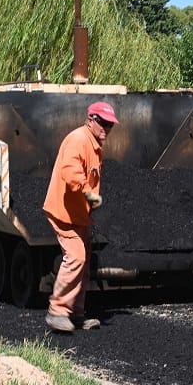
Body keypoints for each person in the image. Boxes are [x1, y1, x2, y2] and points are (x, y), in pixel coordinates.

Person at [44, 101, 118, 332]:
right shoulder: (78, 140)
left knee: (83, 263)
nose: (106, 128)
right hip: (64, 212)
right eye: (103, 123)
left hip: (79, 215)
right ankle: (57, 310)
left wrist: (90, 200)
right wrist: (87, 191)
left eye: (110, 125)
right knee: (75, 257)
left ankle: (75, 314)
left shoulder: (94, 144)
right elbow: (70, 170)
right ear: (90, 120)